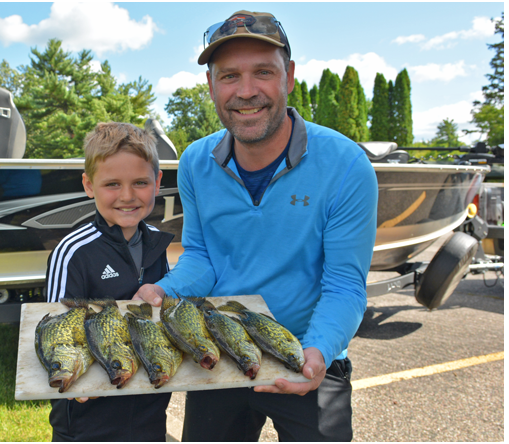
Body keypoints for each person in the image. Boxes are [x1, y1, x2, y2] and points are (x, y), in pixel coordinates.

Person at [133, 10, 378, 442]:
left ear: (289, 77)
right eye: (229, 76)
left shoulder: (346, 166)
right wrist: (165, 290)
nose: (246, 92)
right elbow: (204, 257)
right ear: (211, 86)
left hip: (307, 351)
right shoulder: (194, 162)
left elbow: (344, 285)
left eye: (263, 72)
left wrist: (315, 355)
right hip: (224, 348)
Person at [45, 122, 174, 441]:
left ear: (157, 182)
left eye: (140, 182)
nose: (127, 196)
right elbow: (55, 329)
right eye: (112, 184)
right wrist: (75, 385)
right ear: (89, 185)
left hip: (149, 410)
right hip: (90, 418)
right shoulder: (72, 252)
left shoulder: (157, 243)